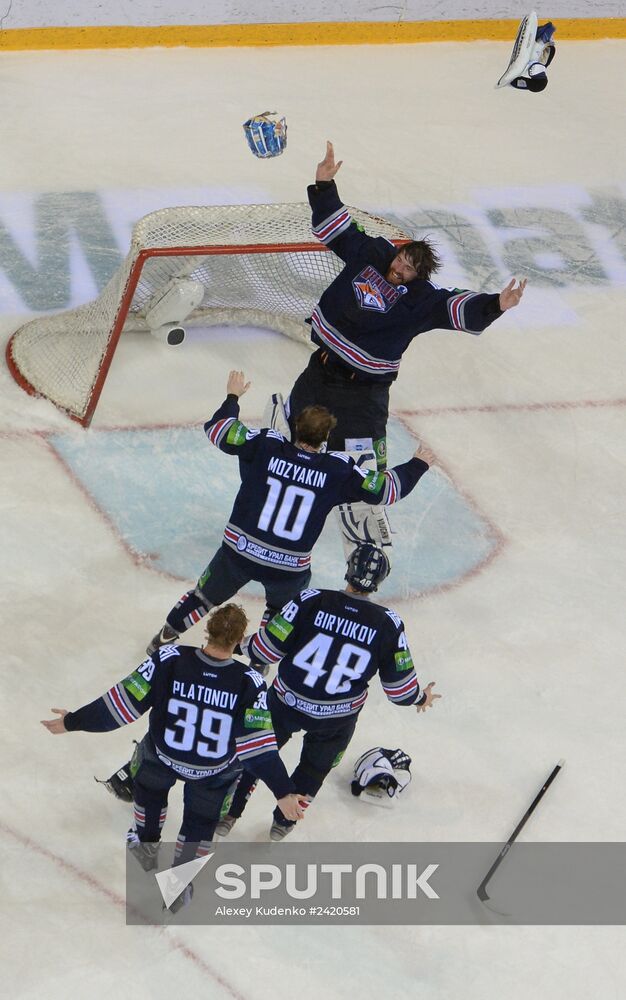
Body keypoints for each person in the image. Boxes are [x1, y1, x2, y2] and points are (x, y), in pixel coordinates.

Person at [146, 369, 434, 656]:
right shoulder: (337, 469)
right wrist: (418, 464)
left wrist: (232, 397)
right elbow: (386, 491)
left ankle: (163, 638)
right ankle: (259, 662)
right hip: (287, 568)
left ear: (295, 426)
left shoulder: (266, 445)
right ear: (326, 437)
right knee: (280, 613)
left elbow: (219, 429)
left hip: (239, 552)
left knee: (202, 598)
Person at [279, 141, 527, 471]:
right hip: (321, 369)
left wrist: (497, 304)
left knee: (364, 467)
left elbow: (456, 308)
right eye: (400, 260)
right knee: (298, 434)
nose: (398, 268)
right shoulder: (371, 254)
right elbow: (338, 227)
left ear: (417, 276)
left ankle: (361, 496)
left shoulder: (422, 301)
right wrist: (324, 184)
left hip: (365, 392)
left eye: (408, 269)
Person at [41, 604, 305, 907]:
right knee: (201, 823)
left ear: (207, 630)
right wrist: (283, 792)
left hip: (161, 758)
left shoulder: (169, 658)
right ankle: (177, 888)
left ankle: (146, 846)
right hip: (214, 772)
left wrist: (72, 721)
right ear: (239, 639)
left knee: (149, 795)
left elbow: (120, 705)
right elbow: (258, 747)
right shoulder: (251, 681)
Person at [215, 543, 441, 842]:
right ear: (379, 581)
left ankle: (228, 814)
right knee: (314, 769)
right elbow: (399, 690)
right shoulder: (388, 623)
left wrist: (239, 644)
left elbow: (266, 649)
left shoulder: (311, 599)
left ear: (348, 570)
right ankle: (283, 823)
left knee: (256, 753)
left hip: (284, 702)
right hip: (336, 720)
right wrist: (420, 698)